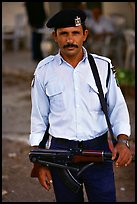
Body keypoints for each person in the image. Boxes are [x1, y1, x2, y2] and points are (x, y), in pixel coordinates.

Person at [29, 8, 133, 202]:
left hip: (97, 149)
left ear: (84, 35)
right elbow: (39, 117)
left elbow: (117, 107)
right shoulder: (44, 70)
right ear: (55, 36)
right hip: (60, 151)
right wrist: (39, 160)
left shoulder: (102, 67)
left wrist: (123, 141)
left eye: (75, 33)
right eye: (64, 34)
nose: (70, 40)